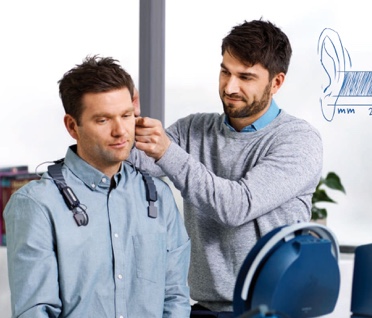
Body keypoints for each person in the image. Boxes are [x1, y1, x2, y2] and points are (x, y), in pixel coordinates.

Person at [130, 19, 323, 316]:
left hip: (276, 310)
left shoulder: (298, 140)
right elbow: (137, 161)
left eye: (245, 77)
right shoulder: (193, 129)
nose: (230, 87)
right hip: (205, 308)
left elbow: (236, 206)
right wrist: (124, 119)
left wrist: (166, 151)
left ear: (277, 82)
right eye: (225, 71)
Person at [4, 55, 191, 317]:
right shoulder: (37, 205)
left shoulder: (159, 197)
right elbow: (35, 311)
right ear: (72, 126)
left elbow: (175, 298)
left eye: (126, 115)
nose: (120, 131)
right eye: (103, 120)